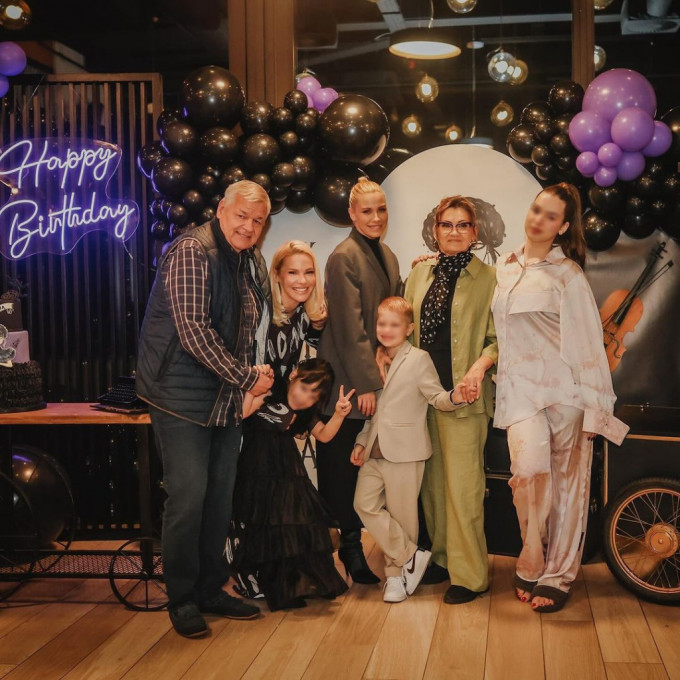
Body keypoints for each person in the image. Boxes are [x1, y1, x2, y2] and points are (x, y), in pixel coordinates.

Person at [136, 180, 274, 638]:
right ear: (221, 210)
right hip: (178, 396)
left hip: (223, 394)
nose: (248, 227)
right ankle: (182, 598)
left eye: (258, 221)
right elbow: (194, 331)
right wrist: (247, 378)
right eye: (242, 216)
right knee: (188, 497)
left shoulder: (246, 258)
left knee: (218, 498)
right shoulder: (193, 250)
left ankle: (211, 588)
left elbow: (245, 323)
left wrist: (251, 373)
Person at [492, 182, 628, 613]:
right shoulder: (505, 266)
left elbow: (589, 345)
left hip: (566, 394)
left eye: (551, 216)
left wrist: (597, 407)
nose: (539, 220)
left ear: (563, 227)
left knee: (568, 486)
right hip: (519, 393)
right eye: (537, 210)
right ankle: (533, 556)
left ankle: (558, 575)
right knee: (528, 474)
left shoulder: (568, 275)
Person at [404, 195, 497, 605]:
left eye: (462, 225)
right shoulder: (419, 274)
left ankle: (471, 575)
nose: (454, 232)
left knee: (464, 489)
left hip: (465, 399)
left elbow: (499, 339)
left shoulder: (491, 279)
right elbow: (406, 330)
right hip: (424, 398)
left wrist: (477, 369)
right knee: (433, 488)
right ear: (435, 231)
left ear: (474, 233)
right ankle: (442, 559)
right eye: (446, 224)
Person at [351, 297, 470, 603]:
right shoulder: (374, 359)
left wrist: (455, 397)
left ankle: (395, 577)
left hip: (406, 451)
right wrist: (362, 440)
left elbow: (435, 397)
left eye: (394, 325)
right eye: (382, 324)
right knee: (363, 504)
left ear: (409, 329)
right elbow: (374, 411)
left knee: (404, 517)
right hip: (374, 449)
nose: (386, 330)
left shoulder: (418, 359)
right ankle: (410, 556)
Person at [227, 239, 326, 600]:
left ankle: (265, 572)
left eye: (309, 272)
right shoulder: (262, 310)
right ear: (278, 275)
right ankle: (247, 570)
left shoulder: (303, 315)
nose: (302, 280)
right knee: (260, 498)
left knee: (281, 498)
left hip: (276, 415)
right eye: (293, 272)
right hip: (252, 412)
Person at [316, 177, 402, 584]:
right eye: (366, 210)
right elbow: (350, 330)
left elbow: (393, 313)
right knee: (342, 472)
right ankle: (349, 550)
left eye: (381, 209)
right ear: (351, 214)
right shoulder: (343, 257)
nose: (375, 217)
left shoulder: (388, 254)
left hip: (374, 379)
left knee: (365, 470)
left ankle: (362, 545)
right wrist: (367, 384)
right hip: (348, 385)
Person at [229, 358, 353, 611]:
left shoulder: (305, 413)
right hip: (255, 471)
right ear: (294, 376)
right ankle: (264, 582)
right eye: (304, 388)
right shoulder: (269, 390)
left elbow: (325, 435)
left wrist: (340, 414)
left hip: (287, 473)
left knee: (292, 527)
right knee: (261, 526)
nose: (305, 398)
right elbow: (240, 414)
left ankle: (294, 584)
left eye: (313, 395)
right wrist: (254, 387)